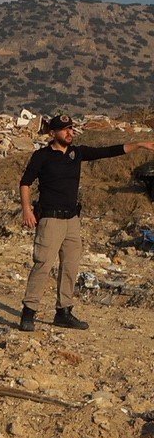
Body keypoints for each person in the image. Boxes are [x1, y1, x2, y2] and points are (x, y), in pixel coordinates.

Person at [17, 114, 154, 331]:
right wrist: (26, 209)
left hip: (72, 220)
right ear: (53, 133)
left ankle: (64, 312)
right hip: (50, 220)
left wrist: (139, 144)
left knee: (70, 266)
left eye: (71, 128)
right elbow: (25, 183)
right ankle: (28, 313)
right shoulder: (41, 156)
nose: (70, 133)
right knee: (42, 265)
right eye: (65, 129)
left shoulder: (76, 153)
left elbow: (109, 151)